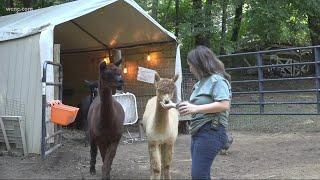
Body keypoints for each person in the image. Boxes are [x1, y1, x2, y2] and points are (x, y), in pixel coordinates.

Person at [161, 45, 232, 180]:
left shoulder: (218, 80)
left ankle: (225, 140)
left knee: (199, 175)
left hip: (211, 131)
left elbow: (224, 104)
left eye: (191, 65)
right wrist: (173, 105)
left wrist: (196, 109)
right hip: (198, 132)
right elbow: (193, 105)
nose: (190, 69)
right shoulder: (200, 83)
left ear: (200, 64)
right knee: (200, 174)